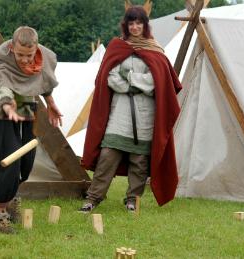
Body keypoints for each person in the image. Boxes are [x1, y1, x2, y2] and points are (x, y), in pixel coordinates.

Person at [79, 5, 182, 213]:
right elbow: (109, 77)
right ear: (126, 25)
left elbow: (156, 81)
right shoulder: (118, 47)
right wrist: (133, 85)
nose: (135, 27)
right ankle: (93, 198)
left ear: (145, 25)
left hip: (146, 114)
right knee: (108, 155)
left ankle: (132, 199)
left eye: (139, 23)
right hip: (120, 111)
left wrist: (129, 78)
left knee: (140, 160)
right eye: (131, 23)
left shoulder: (156, 51)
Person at [0, 26, 62, 233]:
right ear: (12, 47)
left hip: (26, 105)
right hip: (2, 108)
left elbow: (43, 79)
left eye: (29, 55)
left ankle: (12, 198)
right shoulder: (0, 58)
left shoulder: (42, 56)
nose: (25, 60)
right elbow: (0, 84)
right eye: (20, 55)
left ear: (36, 48)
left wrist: (51, 102)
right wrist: (8, 105)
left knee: (26, 159)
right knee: (6, 157)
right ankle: (1, 212)